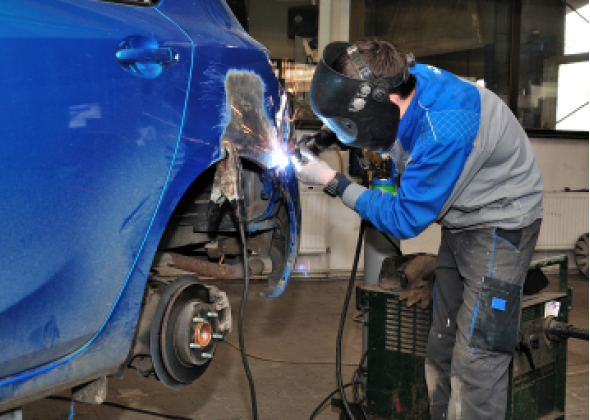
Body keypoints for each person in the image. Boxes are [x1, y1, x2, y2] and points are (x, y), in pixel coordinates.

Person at [292, 38, 544, 420]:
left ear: (386, 103)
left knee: (478, 360)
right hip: (461, 219)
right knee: (443, 345)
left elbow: (404, 219)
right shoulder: (404, 79)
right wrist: (327, 134)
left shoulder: (444, 130)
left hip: (502, 224)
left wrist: (333, 183)